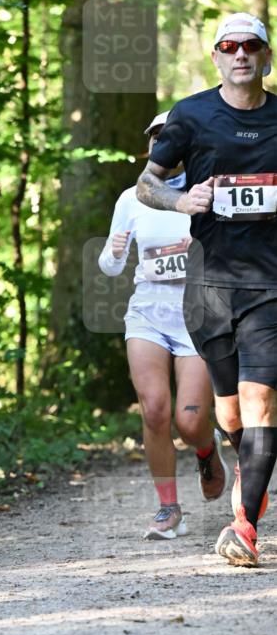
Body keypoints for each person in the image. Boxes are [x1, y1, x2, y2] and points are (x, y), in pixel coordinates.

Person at [137, 12, 276, 567]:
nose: (240, 54)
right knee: (231, 415)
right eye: (228, 46)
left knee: (260, 400)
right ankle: (238, 462)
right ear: (215, 57)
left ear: (265, 57)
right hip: (210, 286)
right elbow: (148, 183)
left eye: (251, 46)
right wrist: (180, 201)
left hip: (271, 283)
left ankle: (244, 527)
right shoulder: (191, 116)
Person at [99, 112, 227, 540]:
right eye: (156, 137)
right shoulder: (131, 198)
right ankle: (168, 509)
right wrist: (115, 252)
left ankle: (207, 451)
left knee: (190, 421)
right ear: (150, 146)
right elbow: (111, 267)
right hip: (147, 313)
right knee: (153, 408)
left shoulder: (209, 192)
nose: (163, 144)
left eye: (171, 137)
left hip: (196, 313)